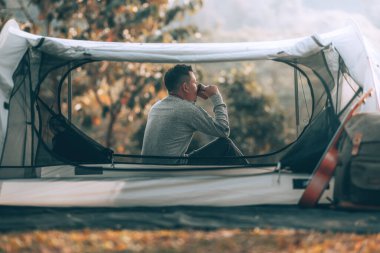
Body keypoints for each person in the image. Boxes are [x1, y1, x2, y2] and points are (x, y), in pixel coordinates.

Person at [141, 64, 247, 165]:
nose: (197, 87)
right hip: (171, 170)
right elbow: (223, 130)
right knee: (225, 145)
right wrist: (215, 96)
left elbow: (181, 115)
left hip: (149, 169)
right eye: (195, 83)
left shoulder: (155, 107)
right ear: (186, 87)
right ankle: (252, 178)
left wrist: (193, 97)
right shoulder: (188, 110)